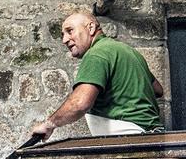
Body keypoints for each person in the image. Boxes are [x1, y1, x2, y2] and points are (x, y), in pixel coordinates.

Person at [30, 11, 164, 140]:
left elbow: (79, 104)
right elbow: (158, 90)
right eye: (63, 35)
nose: (65, 40)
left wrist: (49, 125)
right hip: (154, 135)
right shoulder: (130, 52)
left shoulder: (96, 54)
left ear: (91, 27)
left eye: (70, 31)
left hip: (128, 137)